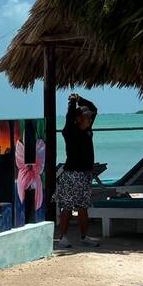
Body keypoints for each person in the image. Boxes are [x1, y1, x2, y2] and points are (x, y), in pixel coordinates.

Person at [54, 93, 99, 248]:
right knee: (67, 206)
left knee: (83, 207)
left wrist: (80, 99)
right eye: (87, 117)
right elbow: (70, 116)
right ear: (78, 118)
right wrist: (72, 103)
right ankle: (63, 237)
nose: (90, 119)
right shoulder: (70, 131)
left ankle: (84, 236)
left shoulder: (87, 128)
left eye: (90, 117)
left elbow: (94, 109)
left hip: (85, 174)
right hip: (72, 175)